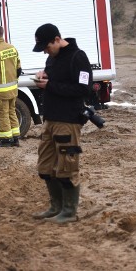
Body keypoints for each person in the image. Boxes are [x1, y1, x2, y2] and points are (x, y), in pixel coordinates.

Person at [31, 23, 92, 224]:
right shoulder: (52, 58)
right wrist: (44, 75)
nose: (46, 52)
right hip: (50, 119)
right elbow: (56, 78)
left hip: (68, 120)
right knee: (45, 167)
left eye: (47, 47)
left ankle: (69, 211)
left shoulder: (78, 57)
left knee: (67, 167)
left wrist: (51, 85)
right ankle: (55, 207)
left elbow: (83, 89)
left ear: (57, 39)